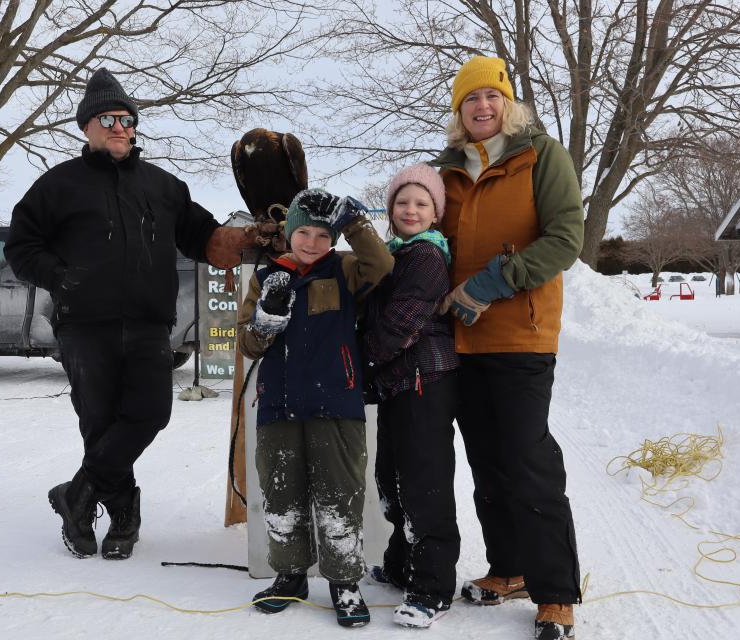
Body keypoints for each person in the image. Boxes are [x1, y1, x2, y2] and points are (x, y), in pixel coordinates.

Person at [5, 68, 255, 560]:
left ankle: (76, 494)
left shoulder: (163, 186)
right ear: (87, 127)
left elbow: (204, 236)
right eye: (107, 118)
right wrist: (60, 275)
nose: (120, 126)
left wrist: (248, 240)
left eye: (126, 119)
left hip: (147, 322)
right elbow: (21, 245)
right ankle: (123, 516)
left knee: (150, 412)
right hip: (83, 324)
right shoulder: (57, 186)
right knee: (99, 422)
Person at [431, 56, 584, 640]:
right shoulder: (445, 172)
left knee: (527, 458)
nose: (483, 107)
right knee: (486, 460)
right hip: (460, 340)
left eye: (493, 97)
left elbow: (564, 238)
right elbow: (423, 237)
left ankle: (556, 591)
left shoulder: (541, 156)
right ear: (459, 111)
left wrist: (492, 282)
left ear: (508, 104)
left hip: (520, 332)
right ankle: (510, 567)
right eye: (471, 99)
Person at [236, 189, 394, 628]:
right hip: (278, 406)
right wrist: (267, 314)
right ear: (288, 234)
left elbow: (381, 266)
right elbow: (248, 344)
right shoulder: (268, 275)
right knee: (281, 492)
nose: (310, 242)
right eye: (302, 232)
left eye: (322, 234)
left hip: (335, 403)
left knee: (338, 495)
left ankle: (344, 583)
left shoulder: (344, 268)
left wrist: (354, 223)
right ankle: (290, 576)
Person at [359, 164, 460, 628]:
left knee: (425, 485)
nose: (411, 210)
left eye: (421, 203)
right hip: (398, 383)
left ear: (435, 212)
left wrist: (360, 364)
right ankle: (401, 567)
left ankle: (432, 588)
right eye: (403, 202)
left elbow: (402, 322)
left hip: (425, 381)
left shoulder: (425, 257)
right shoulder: (394, 253)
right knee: (392, 478)